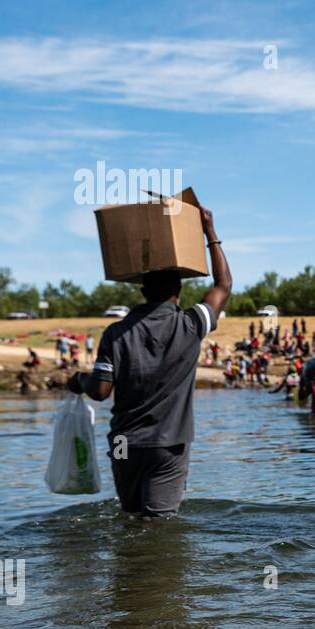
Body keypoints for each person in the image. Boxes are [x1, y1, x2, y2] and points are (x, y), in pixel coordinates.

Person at [67, 201, 231, 517]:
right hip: (167, 445)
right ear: (179, 290)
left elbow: (100, 392)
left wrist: (78, 380)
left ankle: (126, 568)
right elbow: (223, 285)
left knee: (130, 518)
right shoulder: (191, 324)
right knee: (157, 525)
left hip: (123, 445)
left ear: (142, 290)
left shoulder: (115, 332)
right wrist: (210, 230)